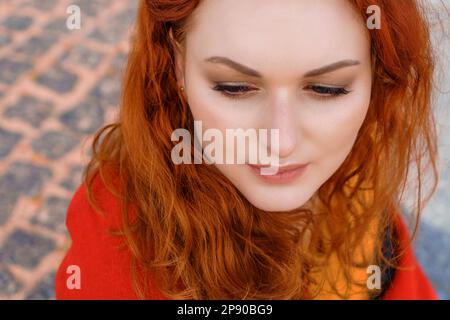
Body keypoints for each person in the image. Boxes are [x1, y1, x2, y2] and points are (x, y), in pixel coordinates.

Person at [55, 0, 441, 299]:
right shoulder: (117, 254)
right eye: (234, 87)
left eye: (328, 89)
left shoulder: (360, 166)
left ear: (377, 74)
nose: (280, 142)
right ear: (177, 65)